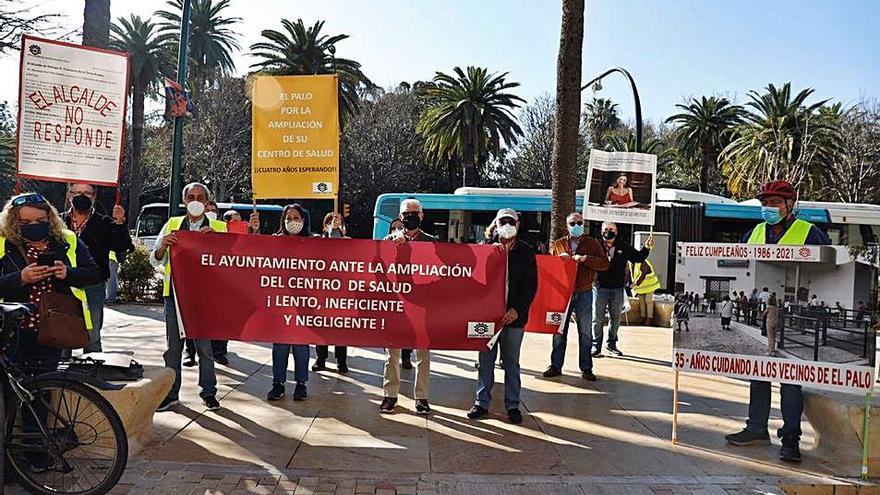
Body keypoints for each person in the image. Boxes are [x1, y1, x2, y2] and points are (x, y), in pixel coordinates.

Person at [725, 180, 831, 464]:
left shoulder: (811, 234)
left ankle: (791, 439)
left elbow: (825, 269)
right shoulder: (753, 233)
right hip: (763, 315)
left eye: (774, 203)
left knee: (790, 381)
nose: (768, 208)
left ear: (790, 205)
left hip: (794, 318)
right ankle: (757, 428)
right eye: (765, 204)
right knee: (758, 369)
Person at [152, 182, 228, 412]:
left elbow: (231, 262)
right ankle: (171, 393)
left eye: (200, 196)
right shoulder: (172, 225)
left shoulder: (219, 227)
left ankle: (209, 392)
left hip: (204, 298)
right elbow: (155, 259)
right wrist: (164, 245)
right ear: (184, 201)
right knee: (173, 348)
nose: (195, 200)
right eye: (191, 196)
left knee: (204, 347)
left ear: (206, 202)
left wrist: (217, 242)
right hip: (174, 295)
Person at [0, 193, 101, 363]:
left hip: (54, 326)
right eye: (25, 223)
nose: (34, 226)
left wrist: (67, 273)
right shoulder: (3, 242)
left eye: (40, 221)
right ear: (13, 222)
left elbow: (94, 274)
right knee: (12, 382)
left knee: (46, 381)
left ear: (50, 218)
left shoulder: (67, 239)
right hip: (12, 328)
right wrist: (20, 278)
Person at [467, 209, 537, 424]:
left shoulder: (526, 252)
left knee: (511, 363)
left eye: (510, 221)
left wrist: (517, 309)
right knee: (485, 361)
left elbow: (531, 285)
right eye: (502, 221)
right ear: (495, 225)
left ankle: (513, 405)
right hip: (487, 317)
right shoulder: (485, 249)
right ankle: (482, 403)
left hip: (514, 317)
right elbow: (474, 280)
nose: (506, 224)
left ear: (517, 224)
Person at [61, 183, 133, 353]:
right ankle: (59, 377)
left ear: (94, 197)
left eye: (87, 192)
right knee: (61, 335)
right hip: (62, 286)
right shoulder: (57, 222)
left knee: (92, 337)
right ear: (69, 195)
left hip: (92, 286)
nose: (82, 196)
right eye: (77, 192)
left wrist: (120, 222)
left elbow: (122, 246)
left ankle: (90, 376)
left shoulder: (105, 223)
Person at [379, 199, 434, 415]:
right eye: (406, 214)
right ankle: (390, 395)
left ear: (421, 216)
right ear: (400, 217)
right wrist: (393, 243)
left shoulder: (432, 242)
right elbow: (379, 265)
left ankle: (421, 398)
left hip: (422, 305)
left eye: (414, 213)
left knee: (423, 353)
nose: (410, 217)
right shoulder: (389, 240)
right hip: (396, 303)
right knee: (392, 352)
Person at [543, 212, 609, 381]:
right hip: (563, 293)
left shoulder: (592, 243)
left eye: (579, 222)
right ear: (567, 226)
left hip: (584, 291)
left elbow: (604, 264)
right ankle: (555, 365)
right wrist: (559, 259)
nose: (576, 225)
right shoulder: (558, 244)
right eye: (572, 223)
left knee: (585, 332)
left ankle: (586, 367)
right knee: (559, 331)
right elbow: (549, 266)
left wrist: (586, 259)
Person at [267, 204, 313, 401]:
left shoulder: (314, 242)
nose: (292, 222)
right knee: (280, 345)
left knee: (301, 344)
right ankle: (278, 383)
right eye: (289, 218)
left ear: (303, 221)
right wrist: (253, 230)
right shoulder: (275, 242)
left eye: (296, 218)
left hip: (305, 301)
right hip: (281, 300)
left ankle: (301, 383)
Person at [592, 222, 654, 357]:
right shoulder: (595, 246)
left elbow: (638, 258)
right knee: (597, 318)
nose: (609, 231)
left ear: (616, 231)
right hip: (599, 287)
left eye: (611, 229)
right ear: (601, 231)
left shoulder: (623, 247)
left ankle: (611, 344)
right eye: (606, 229)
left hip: (617, 288)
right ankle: (595, 346)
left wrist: (647, 248)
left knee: (615, 319)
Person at [314, 212, 349, 373]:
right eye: (331, 221)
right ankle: (321, 359)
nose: (334, 223)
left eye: (338, 221)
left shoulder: (347, 243)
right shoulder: (318, 240)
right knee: (322, 329)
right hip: (322, 292)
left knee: (341, 329)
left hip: (342, 293)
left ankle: (341, 361)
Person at [386, 218, 415, 370]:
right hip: (391, 294)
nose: (397, 230)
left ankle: (406, 356)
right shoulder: (385, 243)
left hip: (410, 294)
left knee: (408, 328)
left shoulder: (415, 245)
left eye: (400, 227)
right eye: (394, 227)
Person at [630, 259, 660, 326]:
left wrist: (636, 284)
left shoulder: (642, 261)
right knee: (642, 301)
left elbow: (643, 274)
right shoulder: (631, 263)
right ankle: (643, 317)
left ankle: (649, 318)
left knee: (648, 300)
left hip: (650, 285)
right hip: (641, 287)